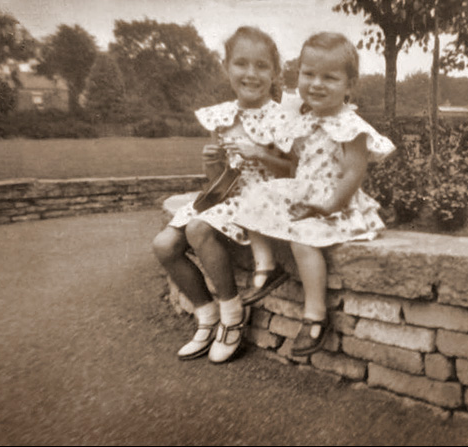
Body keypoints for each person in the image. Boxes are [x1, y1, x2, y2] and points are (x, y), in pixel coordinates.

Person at [234, 32, 396, 356]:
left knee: (302, 238)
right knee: (253, 196)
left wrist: (327, 205)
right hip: (305, 191)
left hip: (336, 201)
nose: (316, 84)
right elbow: (296, 165)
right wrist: (267, 165)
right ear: (298, 77)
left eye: (330, 77)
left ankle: (315, 316)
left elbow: (353, 173)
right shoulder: (303, 122)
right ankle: (266, 268)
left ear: (349, 86)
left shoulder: (353, 127)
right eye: (309, 74)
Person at [152, 26, 290, 364]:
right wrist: (211, 164)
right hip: (231, 196)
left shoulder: (282, 117)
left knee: (198, 230)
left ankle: (232, 316)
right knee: (164, 245)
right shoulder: (221, 116)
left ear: (274, 72)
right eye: (241, 64)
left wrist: (259, 153)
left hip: (266, 199)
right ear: (226, 66)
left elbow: (293, 171)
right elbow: (222, 181)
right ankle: (206, 314)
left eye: (261, 66)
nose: (251, 73)